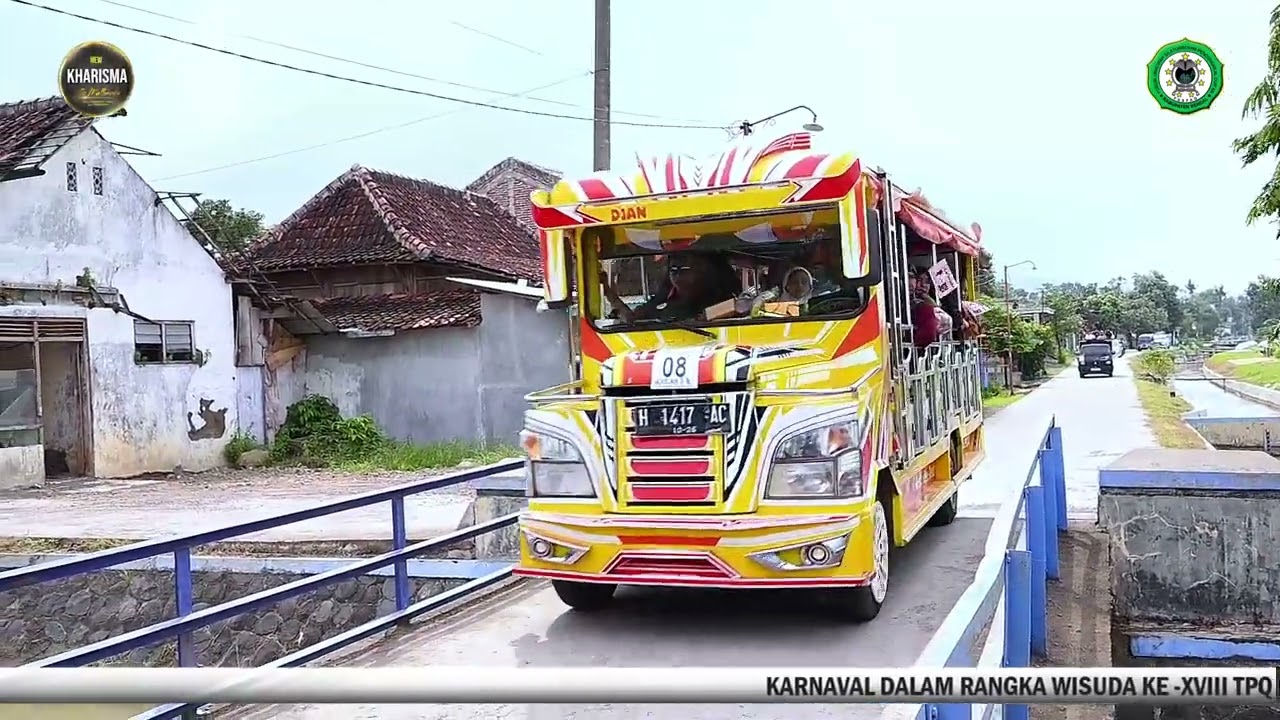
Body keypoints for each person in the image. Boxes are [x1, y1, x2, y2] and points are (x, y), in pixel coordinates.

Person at [601, 253, 736, 324]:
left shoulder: (721, 299)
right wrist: (608, 293)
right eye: (673, 269)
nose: (676, 274)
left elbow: (739, 309)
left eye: (683, 269)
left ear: (703, 270)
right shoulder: (661, 300)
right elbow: (633, 319)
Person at [910, 268, 940, 348]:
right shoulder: (912, 302)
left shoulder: (932, 301)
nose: (923, 285)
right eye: (920, 280)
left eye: (927, 282)